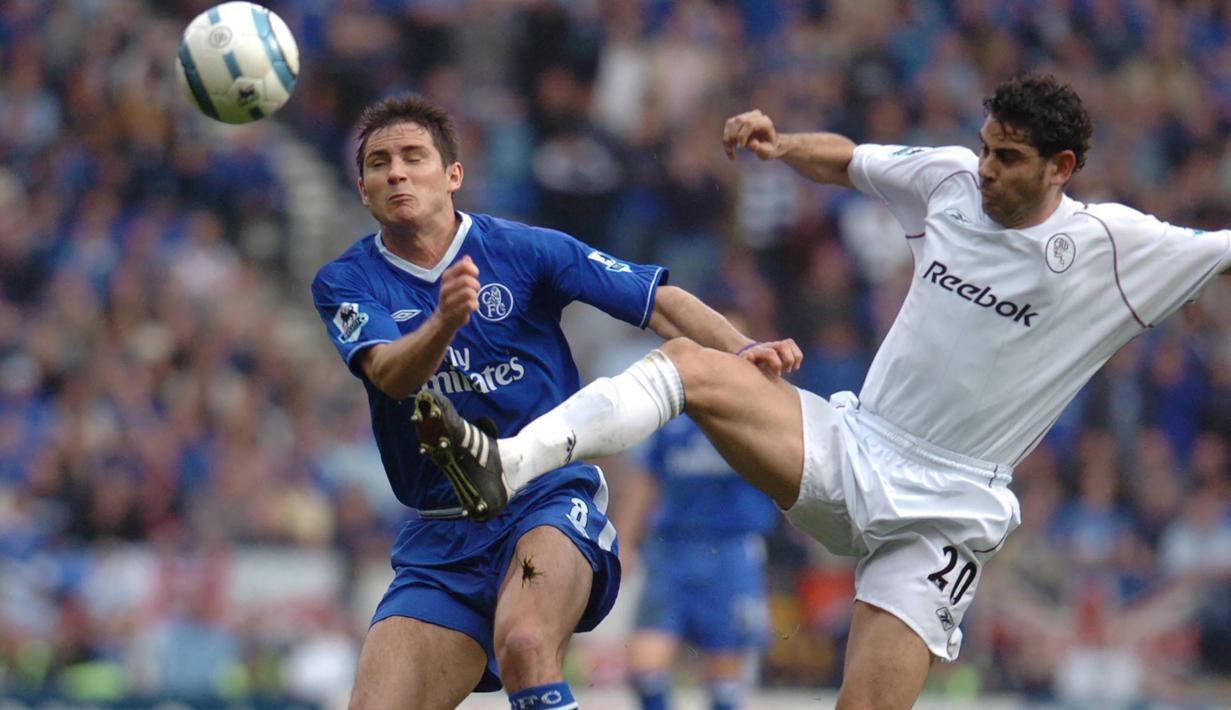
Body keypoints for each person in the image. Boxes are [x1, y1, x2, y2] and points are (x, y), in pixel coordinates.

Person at [414, 73, 1231, 709]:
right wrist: (779, 145)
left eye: (1007, 158)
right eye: (984, 147)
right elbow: (849, 160)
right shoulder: (949, 180)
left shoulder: (1119, 248)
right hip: (851, 446)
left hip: (949, 509)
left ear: (1061, 168)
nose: (984, 168)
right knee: (695, 366)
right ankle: (505, 461)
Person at [309, 94, 800, 710]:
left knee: (524, 640)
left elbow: (655, 299)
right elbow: (388, 374)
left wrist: (743, 346)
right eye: (379, 163)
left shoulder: (524, 250)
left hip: (546, 499)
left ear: (453, 175)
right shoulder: (345, 280)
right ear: (362, 189)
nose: (397, 172)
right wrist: (443, 323)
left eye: (414, 157)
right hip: (440, 538)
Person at [615, 349, 780, 710]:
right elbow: (647, 480)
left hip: (730, 550)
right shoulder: (674, 415)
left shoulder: (757, 414)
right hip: (671, 550)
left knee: (724, 679)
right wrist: (625, 541)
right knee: (644, 668)